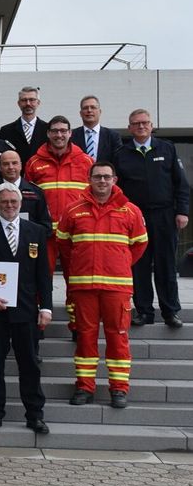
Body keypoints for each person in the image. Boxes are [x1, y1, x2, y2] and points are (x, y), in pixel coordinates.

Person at [56, 162, 148, 408]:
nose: (102, 181)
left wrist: (119, 262)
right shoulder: (73, 210)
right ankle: (85, 387)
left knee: (117, 337)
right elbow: (64, 245)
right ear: (90, 179)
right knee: (85, 338)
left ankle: (118, 389)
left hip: (116, 287)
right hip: (83, 286)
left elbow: (139, 245)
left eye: (107, 177)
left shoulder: (131, 211)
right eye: (97, 177)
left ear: (115, 180)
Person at [0, 183, 53, 433]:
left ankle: (35, 414)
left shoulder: (35, 231)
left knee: (29, 365)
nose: (9, 206)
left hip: (26, 311)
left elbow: (43, 275)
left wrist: (45, 307)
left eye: (13, 202)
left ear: (20, 203)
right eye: (4, 202)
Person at [113, 109, 190, 328]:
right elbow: (117, 190)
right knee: (139, 266)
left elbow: (181, 184)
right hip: (136, 218)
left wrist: (182, 211)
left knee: (166, 265)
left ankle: (170, 311)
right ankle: (144, 311)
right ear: (129, 128)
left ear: (151, 125)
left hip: (165, 215)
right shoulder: (121, 154)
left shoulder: (167, 148)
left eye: (145, 123)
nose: (141, 126)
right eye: (136, 123)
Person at [24, 114, 92, 272]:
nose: (59, 135)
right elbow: (28, 199)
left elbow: (93, 196)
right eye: (54, 131)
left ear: (70, 133)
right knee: (43, 276)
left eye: (63, 131)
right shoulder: (34, 162)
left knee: (76, 276)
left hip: (76, 231)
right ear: (48, 133)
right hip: (46, 232)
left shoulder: (86, 161)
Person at [0, 150, 51, 239]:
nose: (10, 167)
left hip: (29, 245)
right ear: (0, 167)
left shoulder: (36, 192)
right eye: (6, 164)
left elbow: (46, 226)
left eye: (14, 163)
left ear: (21, 165)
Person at [0, 87, 48, 165]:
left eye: (32, 100)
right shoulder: (6, 131)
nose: (28, 103)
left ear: (38, 103)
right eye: (24, 100)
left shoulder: (48, 129)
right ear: (18, 103)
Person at [71, 96, 121, 163]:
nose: (89, 110)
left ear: (100, 112)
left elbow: (118, 161)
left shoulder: (113, 136)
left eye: (93, 107)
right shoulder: (71, 136)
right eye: (85, 108)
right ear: (80, 113)